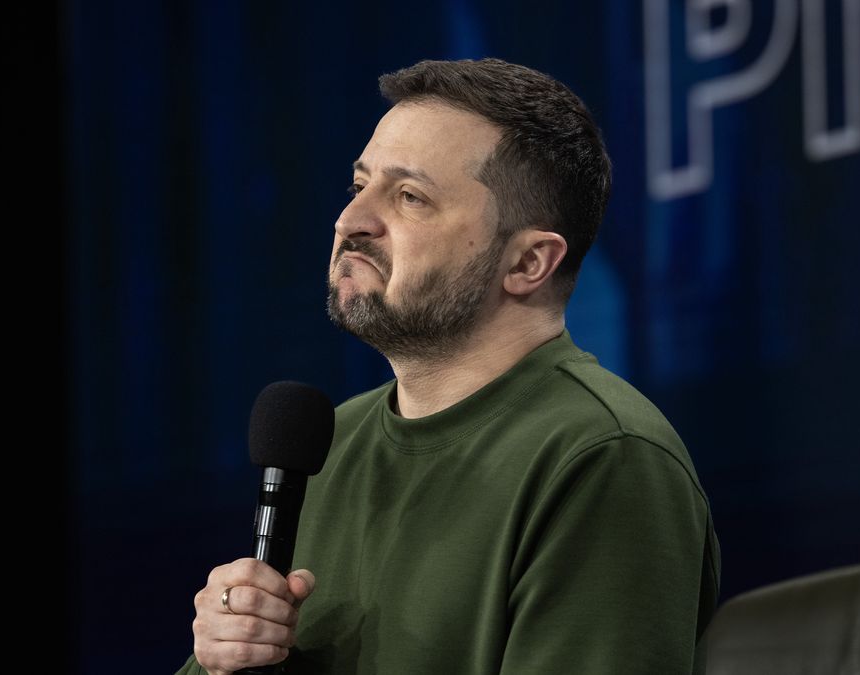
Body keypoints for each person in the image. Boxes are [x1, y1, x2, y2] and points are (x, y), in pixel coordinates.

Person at [177, 57, 720, 675]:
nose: (350, 221)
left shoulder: (600, 456)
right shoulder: (326, 448)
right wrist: (224, 656)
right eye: (359, 186)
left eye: (410, 197)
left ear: (527, 263)